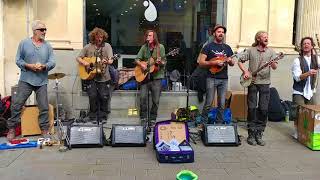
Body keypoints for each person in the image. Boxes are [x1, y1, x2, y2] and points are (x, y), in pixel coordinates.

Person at [6, 20, 56, 141]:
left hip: (42, 81)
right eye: (42, 29)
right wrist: (29, 66)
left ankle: (44, 129)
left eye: (45, 30)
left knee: (43, 106)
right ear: (34, 31)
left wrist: (44, 66)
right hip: (26, 80)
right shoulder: (24, 43)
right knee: (17, 104)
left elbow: (52, 62)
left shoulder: (47, 46)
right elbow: (18, 60)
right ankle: (12, 128)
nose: (44, 32)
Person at [238, 31, 278, 146]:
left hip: (265, 83)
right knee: (251, 108)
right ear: (258, 39)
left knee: (263, 108)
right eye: (264, 37)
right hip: (252, 82)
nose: (266, 39)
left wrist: (273, 63)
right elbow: (240, 60)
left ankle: (259, 133)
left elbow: (275, 67)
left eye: (267, 37)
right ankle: (251, 133)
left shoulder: (271, 51)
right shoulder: (251, 50)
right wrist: (245, 71)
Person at [198, 24, 235, 124]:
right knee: (208, 103)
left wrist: (231, 61)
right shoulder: (208, 47)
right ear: (214, 33)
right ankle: (203, 124)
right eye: (219, 32)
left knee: (222, 104)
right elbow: (201, 62)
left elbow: (232, 63)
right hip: (211, 77)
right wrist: (213, 62)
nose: (221, 34)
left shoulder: (227, 48)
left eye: (222, 32)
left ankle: (219, 125)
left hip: (224, 79)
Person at [77, 27, 114, 122]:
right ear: (93, 37)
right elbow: (78, 58)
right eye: (97, 37)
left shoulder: (107, 46)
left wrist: (109, 61)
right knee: (92, 96)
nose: (99, 39)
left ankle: (103, 115)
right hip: (90, 77)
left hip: (103, 77)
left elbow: (111, 59)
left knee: (104, 96)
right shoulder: (88, 47)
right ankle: (92, 115)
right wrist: (86, 63)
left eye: (101, 37)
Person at [135, 30, 166, 129]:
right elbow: (136, 59)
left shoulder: (160, 47)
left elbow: (164, 62)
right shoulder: (144, 47)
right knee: (143, 97)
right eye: (147, 35)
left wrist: (160, 62)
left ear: (154, 37)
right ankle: (143, 118)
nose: (148, 37)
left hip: (157, 78)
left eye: (150, 35)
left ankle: (152, 119)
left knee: (155, 100)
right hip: (145, 78)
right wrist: (142, 64)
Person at [291, 37, 320, 138]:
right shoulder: (297, 61)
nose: (306, 45)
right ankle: (296, 131)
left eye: (308, 43)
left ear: (312, 46)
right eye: (304, 44)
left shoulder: (316, 59)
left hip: (311, 90)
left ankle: (308, 132)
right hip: (299, 91)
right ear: (302, 47)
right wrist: (308, 73)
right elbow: (297, 78)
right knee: (298, 113)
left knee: (313, 112)